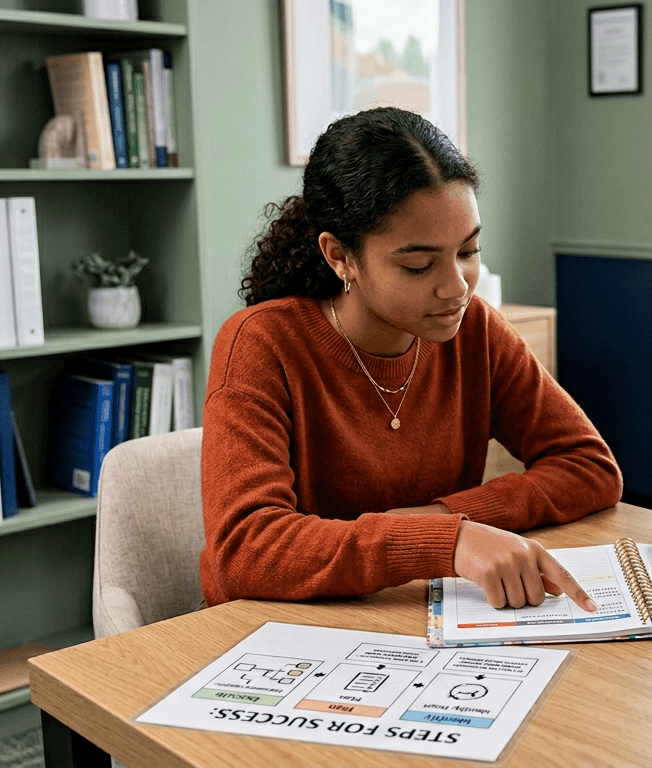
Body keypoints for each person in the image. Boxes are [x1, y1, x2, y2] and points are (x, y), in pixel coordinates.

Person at [201, 107, 622, 612]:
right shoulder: (260, 344)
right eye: (419, 265)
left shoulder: (476, 330)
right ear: (340, 256)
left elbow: (590, 466)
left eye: (468, 252)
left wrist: (443, 517)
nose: (456, 287)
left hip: (414, 612)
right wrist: (447, 540)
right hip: (275, 624)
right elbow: (247, 548)